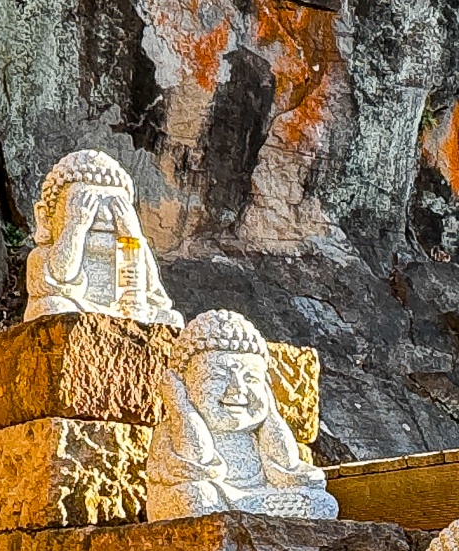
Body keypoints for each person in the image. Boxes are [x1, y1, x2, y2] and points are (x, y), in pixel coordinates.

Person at [143, 310, 336, 521]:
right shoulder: (176, 426)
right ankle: (248, 515)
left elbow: (287, 464)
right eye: (217, 377)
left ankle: (246, 514)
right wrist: (180, 405)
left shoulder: (258, 435)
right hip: (209, 497)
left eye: (250, 378)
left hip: (258, 497)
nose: (237, 389)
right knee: (196, 496)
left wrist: (270, 410)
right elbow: (197, 458)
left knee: (322, 502)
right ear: (182, 383)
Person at [22, 150, 184, 326]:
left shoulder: (132, 245)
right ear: (45, 217)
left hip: (125, 311)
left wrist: (132, 235)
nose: (105, 215)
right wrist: (77, 224)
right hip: (76, 306)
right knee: (54, 307)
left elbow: (150, 291)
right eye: (86, 201)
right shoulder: (40, 256)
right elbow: (62, 274)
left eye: (116, 205)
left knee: (172, 319)